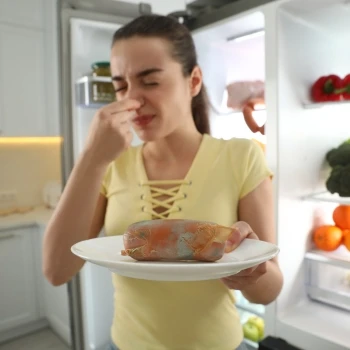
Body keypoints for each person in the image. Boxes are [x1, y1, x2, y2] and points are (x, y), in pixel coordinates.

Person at [43, 14, 283, 350]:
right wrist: (91, 157)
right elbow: (56, 271)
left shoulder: (240, 157)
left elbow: (269, 290)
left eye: (150, 82)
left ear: (193, 80)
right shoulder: (112, 166)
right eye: (121, 86)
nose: (132, 100)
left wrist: (251, 270)